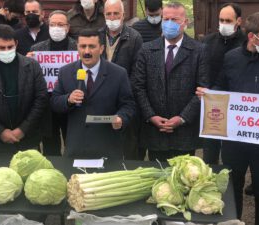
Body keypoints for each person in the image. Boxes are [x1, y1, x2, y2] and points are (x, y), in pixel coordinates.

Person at [196, 12, 259, 225]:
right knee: (232, 190)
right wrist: (209, 94)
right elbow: (221, 86)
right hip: (234, 139)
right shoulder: (231, 58)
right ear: (252, 37)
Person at [132, 2, 209, 162]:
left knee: (185, 178)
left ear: (185, 22)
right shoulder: (147, 50)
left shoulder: (199, 50)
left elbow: (202, 90)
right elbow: (138, 86)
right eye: (166, 19)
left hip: (185, 132)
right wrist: (151, 116)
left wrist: (182, 118)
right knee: (158, 178)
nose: (169, 23)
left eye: (174, 19)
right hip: (155, 130)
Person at [50, 28, 135, 159]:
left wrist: (121, 118)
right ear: (77, 47)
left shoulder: (119, 73)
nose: (87, 51)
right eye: (83, 46)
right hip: (76, 148)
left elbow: (128, 105)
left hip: (108, 148)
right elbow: (55, 102)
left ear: (101, 49)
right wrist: (68, 99)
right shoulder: (65, 72)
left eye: (92, 46)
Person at [0, 24, 48, 154]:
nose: (6, 51)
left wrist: (23, 129)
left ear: (16, 44)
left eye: (10, 47)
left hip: (28, 139)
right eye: (1, 47)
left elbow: (41, 98)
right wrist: (0, 132)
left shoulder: (32, 65)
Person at [201, 3, 245, 165]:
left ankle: (232, 185)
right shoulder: (207, 41)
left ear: (238, 21)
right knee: (210, 150)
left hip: (236, 105)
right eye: (221, 20)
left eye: (228, 20)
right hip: (212, 104)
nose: (224, 24)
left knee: (232, 153)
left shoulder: (246, 43)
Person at [99, 0, 143, 160]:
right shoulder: (97, 35)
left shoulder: (134, 37)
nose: (112, 17)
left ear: (123, 15)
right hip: (100, 99)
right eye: (108, 14)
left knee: (127, 145)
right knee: (102, 143)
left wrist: (120, 92)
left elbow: (137, 72)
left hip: (125, 99)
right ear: (104, 15)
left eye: (116, 13)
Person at [30, 10, 77, 156]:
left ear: (68, 27)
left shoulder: (78, 48)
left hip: (71, 104)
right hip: (47, 107)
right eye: (53, 24)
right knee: (50, 147)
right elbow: (31, 80)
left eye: (60, 24)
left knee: (73, 144)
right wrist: (27, 63)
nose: (56, 27)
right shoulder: (36, 49)